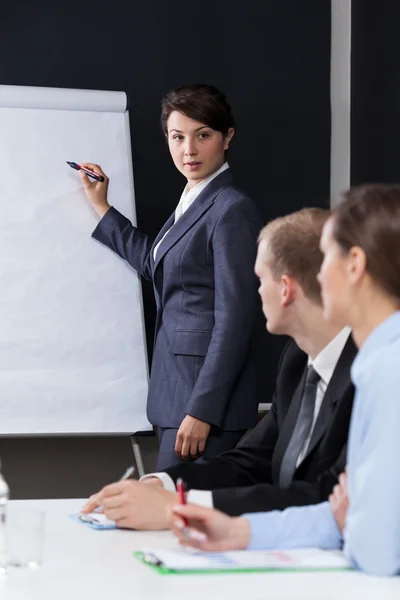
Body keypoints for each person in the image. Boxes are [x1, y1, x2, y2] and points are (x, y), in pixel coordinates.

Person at [169, 184, 400, 577]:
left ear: (354, 265)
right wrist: (240, 531)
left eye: (325, 257)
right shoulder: (374, 361)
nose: (313, 275)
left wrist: (354, 523)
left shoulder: (388, 369)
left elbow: (378, 550)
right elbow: (341, 514)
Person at [81, 208, 357, 529]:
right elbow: (252, 460)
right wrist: (166, 484)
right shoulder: (296, 361)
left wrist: (180, 506)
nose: (255, 291)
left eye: (259, 278)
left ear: (285, 289)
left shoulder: (371, 374)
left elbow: (329, 499)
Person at [79, 84, 264, 470]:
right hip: (175, 394)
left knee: (177, 519)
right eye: (178, 137)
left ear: (227, 137)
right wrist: (102, 209)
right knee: (171, 517)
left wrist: (202, 411)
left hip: (204, 407)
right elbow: (156, 263)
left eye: (203, 135)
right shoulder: (193, 199)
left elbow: (235, 320)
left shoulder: (231, 209)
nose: (189, 150)